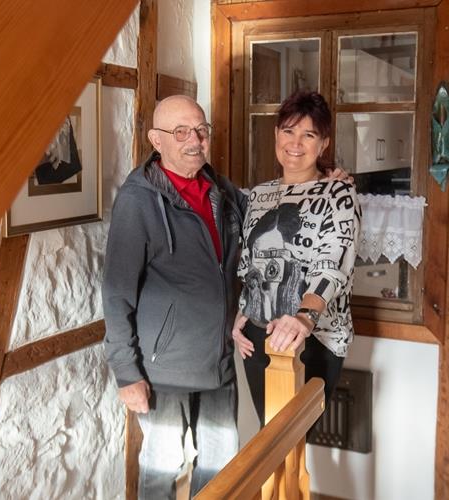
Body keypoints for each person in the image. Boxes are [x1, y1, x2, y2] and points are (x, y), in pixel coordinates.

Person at [102, 95, 245, 499]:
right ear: (157, 140)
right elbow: (116, 292)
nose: (194, 139)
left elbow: (264, 216)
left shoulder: (220, 190)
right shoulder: (138, 200)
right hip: (163, 369)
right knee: (161, 471)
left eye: (201, 129)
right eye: (180, 131)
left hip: (218, 362)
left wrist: (319, 179)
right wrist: (126, 373)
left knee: (221, 469)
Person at [231, 91, 361, 425]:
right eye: (288, 131)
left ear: (324, 144)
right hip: (258, 336)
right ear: (276, 135)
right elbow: (249, 264)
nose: (295, 143)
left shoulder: (339, 193)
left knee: (290, 438)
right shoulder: (259, 195)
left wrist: (304, 318)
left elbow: (332, 264)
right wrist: (242, 312)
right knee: (268, 436)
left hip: (312, 336)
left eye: (309, 134)